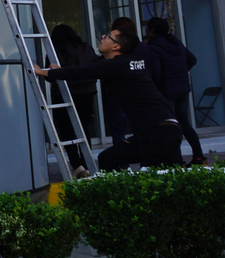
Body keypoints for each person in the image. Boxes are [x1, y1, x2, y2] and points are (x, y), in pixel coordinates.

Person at [34, 27, 183, 171]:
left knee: (164, 179)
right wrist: (61, 70)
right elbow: (89, 67)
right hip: (163, 129)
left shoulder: (115, 65)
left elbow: (82, 71)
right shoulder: (133, 61)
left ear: (116, 46)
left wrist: (44, 72)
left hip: (157, 133)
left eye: (108, 35)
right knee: (107, 158)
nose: (103, 36)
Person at [145, 17, 206, 166]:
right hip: (182, 88)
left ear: (151, 30)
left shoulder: (153, 47)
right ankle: (199, 157)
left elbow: (157, 73)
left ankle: (177, 161)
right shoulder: (176, 42)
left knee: (170, 127)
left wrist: (154, 87)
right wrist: (180, 72)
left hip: (166, 90)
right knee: (184, 123)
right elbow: (192, 59)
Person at [48, 24, 99, 176]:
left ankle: (77, 166)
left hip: (64, 93)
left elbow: (50, 75)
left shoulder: (55, 50)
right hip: (87, 91)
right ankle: (87, 163)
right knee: (84, 129)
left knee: (66, 131)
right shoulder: (86, 48)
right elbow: (95, 66)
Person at [103, 16, 162, 146]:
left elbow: (110, 68)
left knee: (118, 128)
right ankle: (142, 156)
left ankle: (122, 157)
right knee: (141, 127)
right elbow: (153, 69)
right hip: (142, 91)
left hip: (120, 91)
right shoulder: (144, 47)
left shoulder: (119, 49)